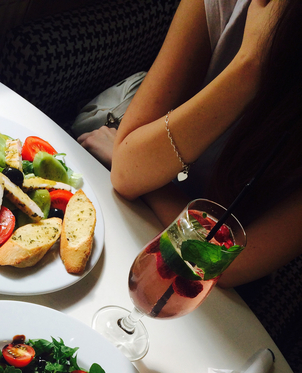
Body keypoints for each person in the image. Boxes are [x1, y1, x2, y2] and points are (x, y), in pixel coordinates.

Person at [77, 0, 302, 290]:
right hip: (138, 219)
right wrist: (248, 65)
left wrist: (147, 177)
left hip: (201, 282)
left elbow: (226, 266)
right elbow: (127, 174)